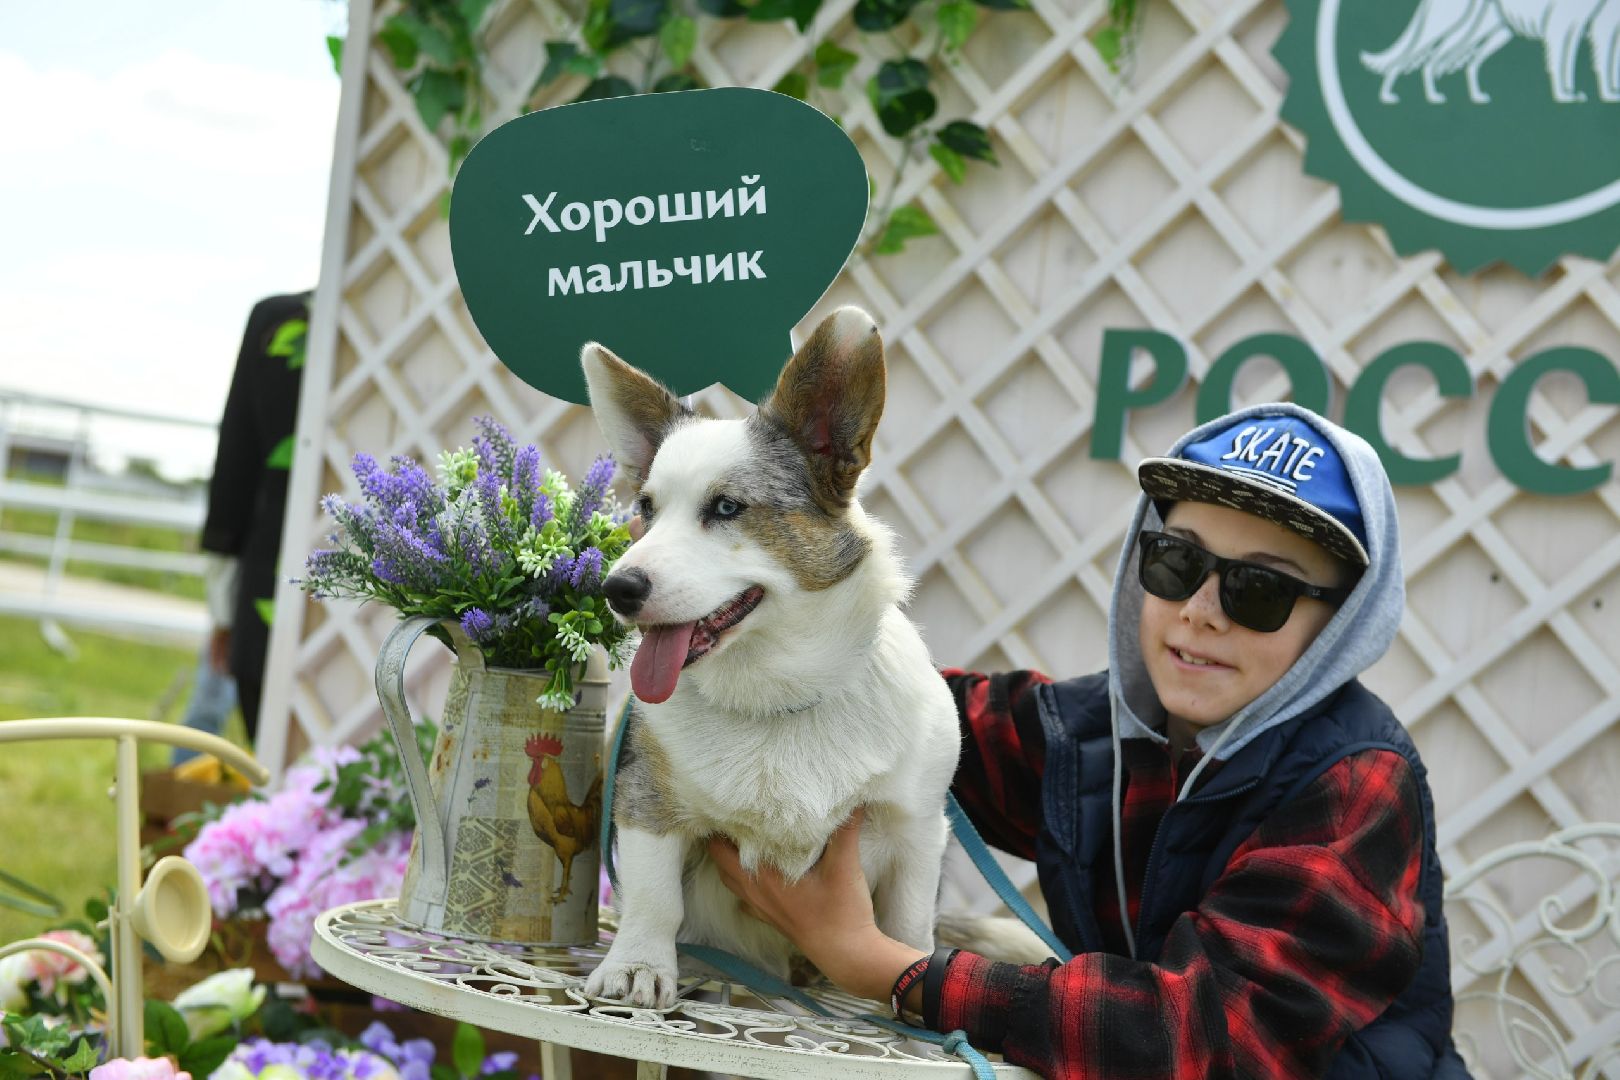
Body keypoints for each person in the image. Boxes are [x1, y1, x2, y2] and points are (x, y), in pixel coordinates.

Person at [707, 402, 1471, 1078]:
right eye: (1177, 562)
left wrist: (878, 964)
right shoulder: (1100, 737)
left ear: (1340, 624)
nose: (1201, 610)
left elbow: (1199, 1041)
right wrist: (724, 617)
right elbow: (916, 711)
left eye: (1259, 589)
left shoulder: (1355, 787)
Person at [185, 290, 310, 749]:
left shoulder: (277, 319)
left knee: (272, 761)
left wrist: (222, 609)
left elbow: (233, 470)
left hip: (267, 587)